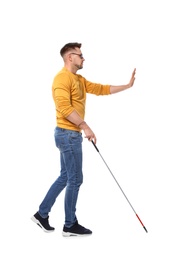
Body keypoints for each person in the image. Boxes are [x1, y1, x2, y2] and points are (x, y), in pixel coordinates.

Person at [31, 42, 136, 237]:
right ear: (70, 57)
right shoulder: (61, 79)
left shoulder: (78, 79)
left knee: (65, 177)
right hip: (68, 135)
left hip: (70, 135)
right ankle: (70, 225)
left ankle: (41, 214)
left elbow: (101, 89)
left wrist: (127, 86)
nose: (83, 58)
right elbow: (64, 108)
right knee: (75, 179)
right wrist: (85, 126)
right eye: (80, 55)